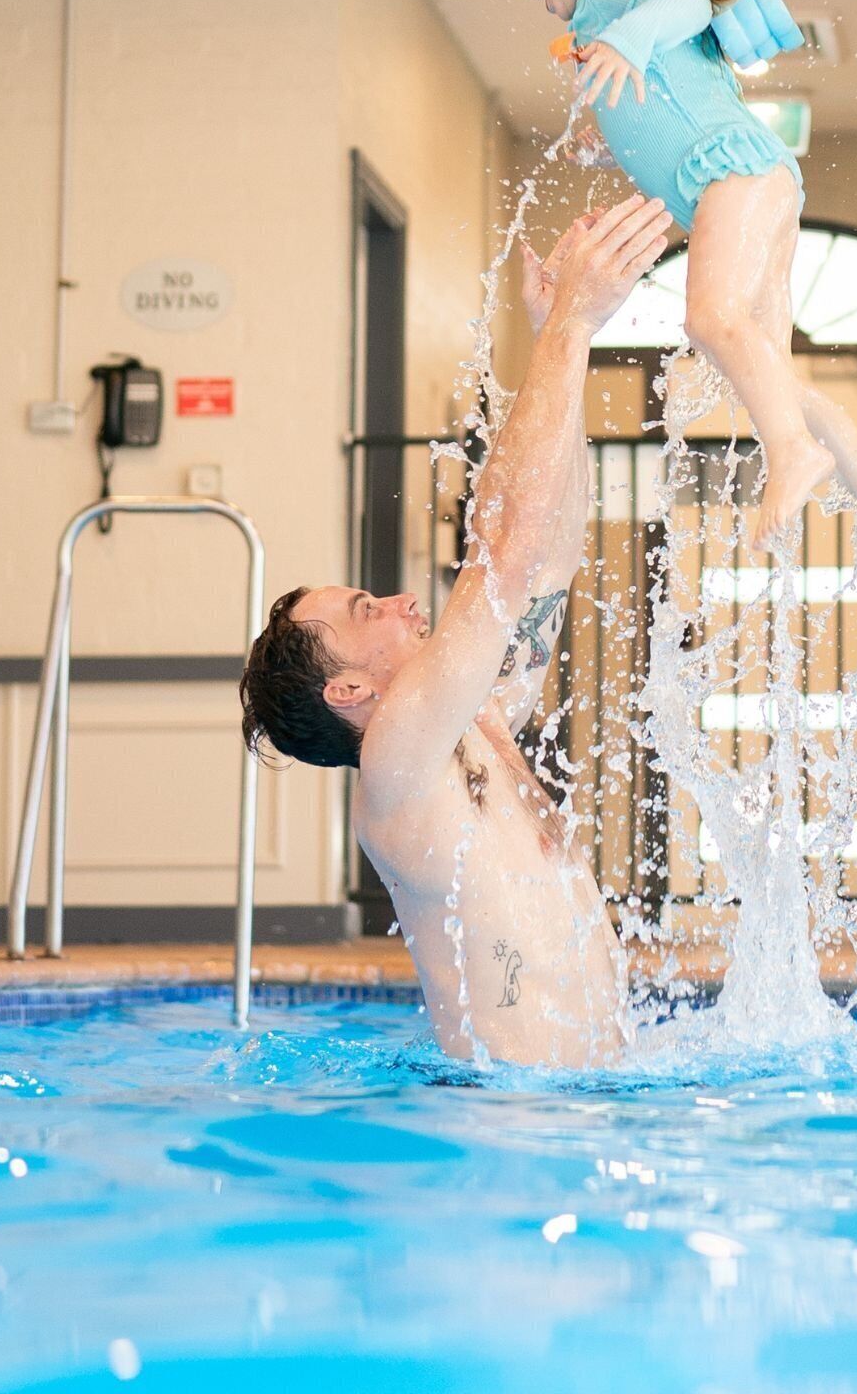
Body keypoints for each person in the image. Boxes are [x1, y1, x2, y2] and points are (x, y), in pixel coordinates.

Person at [235, 197, 668, 1067]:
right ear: (350, 691)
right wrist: (566, 332)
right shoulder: (396, 766)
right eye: (367, 613)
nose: (399, 601)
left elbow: (544, 564)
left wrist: (564, 342)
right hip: (514, 1133)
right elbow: (501, 555)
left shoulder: (476, 725)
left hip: (587, 1109)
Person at [476, 0, 857, 588]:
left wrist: (622, 39)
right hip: (746, 180)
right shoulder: (599, 13)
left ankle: (793, 452)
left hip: (735, 174)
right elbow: (667, 98)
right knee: (765, 367)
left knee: (709, 321)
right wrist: (603, 138)